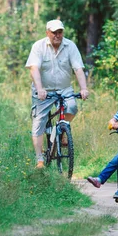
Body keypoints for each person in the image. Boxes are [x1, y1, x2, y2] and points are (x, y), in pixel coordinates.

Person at [25, 19, 89, 168]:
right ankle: (39, 159)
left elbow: (78, 68)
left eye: (60, 32)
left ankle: (62, 130)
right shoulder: (39, 46)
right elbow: (34, 69)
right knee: (39, 122)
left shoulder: (70, 46)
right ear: (47, 33)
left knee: (72, 107)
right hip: (43, 90)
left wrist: (84, 88)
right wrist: (40, 89)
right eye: (54, 32)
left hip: (64, 88)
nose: (57, 35)